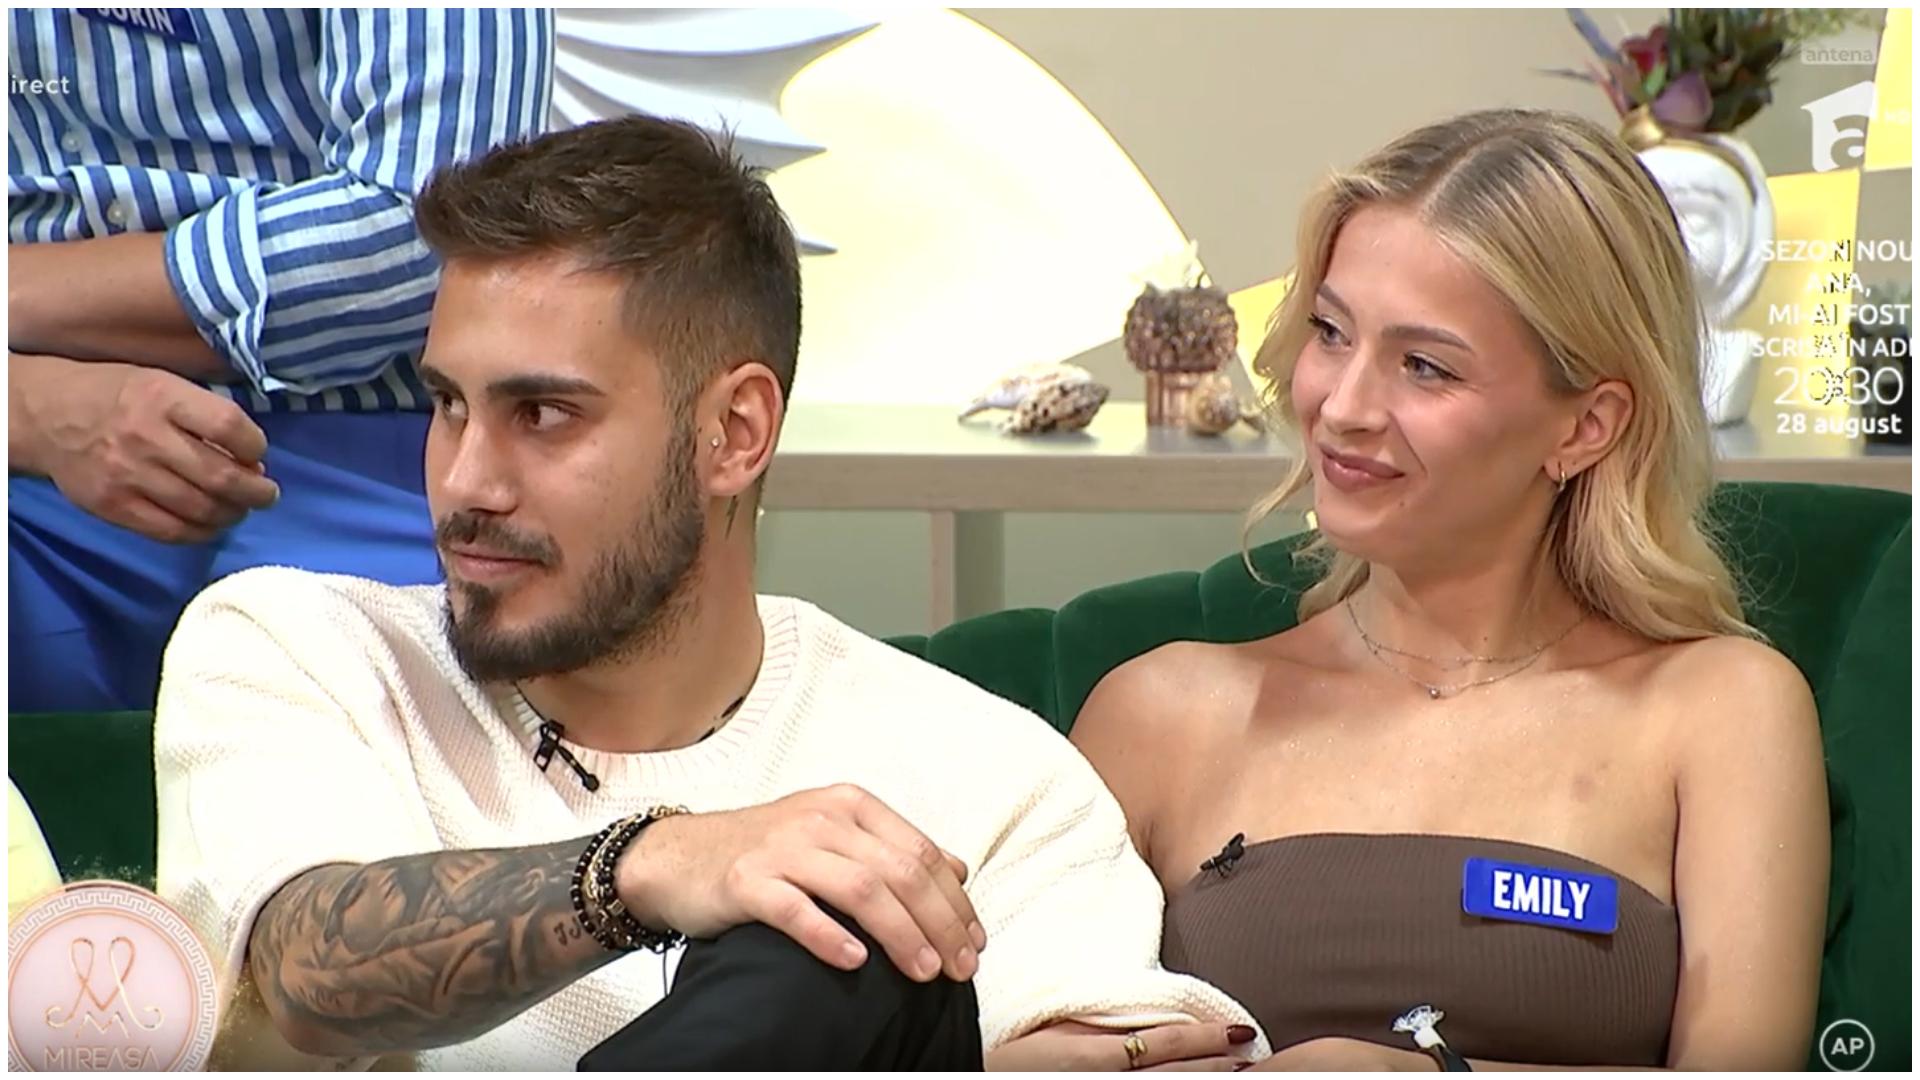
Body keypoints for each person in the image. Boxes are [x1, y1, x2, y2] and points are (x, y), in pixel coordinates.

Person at [153, 115, 1264, 1071]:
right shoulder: (298, 648)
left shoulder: (992, 774)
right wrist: (654, 864)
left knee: (835, 942)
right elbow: (307, 969)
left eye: (543, 414)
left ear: (735, 431)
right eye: (449, 405)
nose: (467, 481)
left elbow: (1131, 1049)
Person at [1061, 109, 1828, 1070]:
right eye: (1330, 333)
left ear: (1586, 426)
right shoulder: (1160, 715)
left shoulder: (1720, 711)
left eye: (1424, 367)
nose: (1343, 407)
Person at [8, 9, 553, 713]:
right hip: (35, 443)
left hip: (376, 439)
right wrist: (27, 406)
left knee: (422, 707)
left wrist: (15, 290)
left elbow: (420, 233)